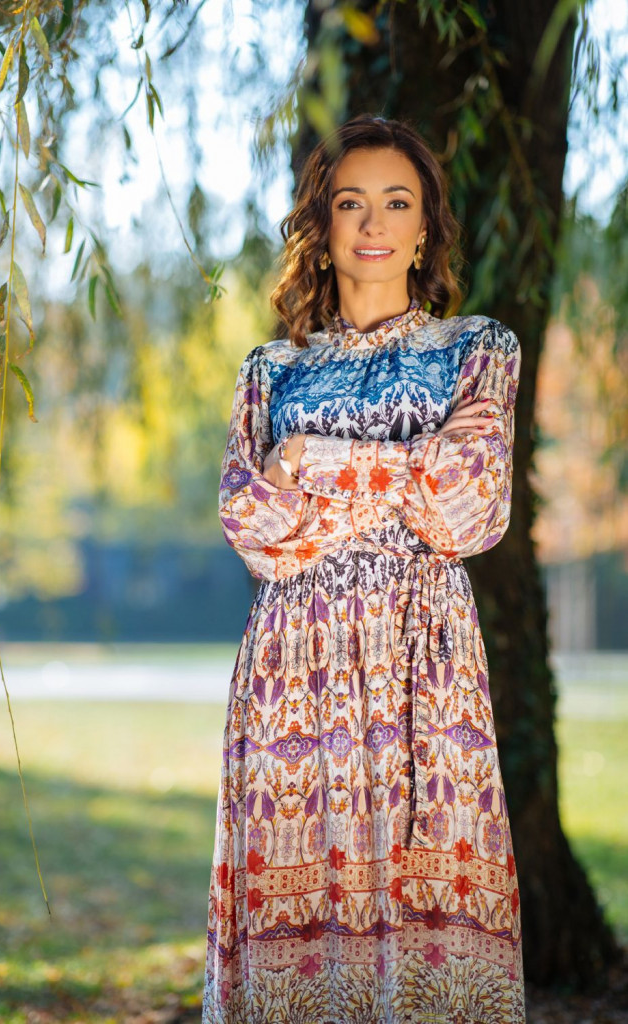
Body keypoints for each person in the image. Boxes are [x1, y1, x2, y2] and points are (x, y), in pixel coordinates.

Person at [201, 112, 525, 1024]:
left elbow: (465, 510)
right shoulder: (271, 369)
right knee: (300, 913)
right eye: (350, 203)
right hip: (291, 670)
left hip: (424, 661)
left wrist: (310, 460)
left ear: (426, 228)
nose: (373, 223)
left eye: (396, 203)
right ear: (323, 222)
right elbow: (253, 529)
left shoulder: (478, 348)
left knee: (428, 918)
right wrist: (403, 473)